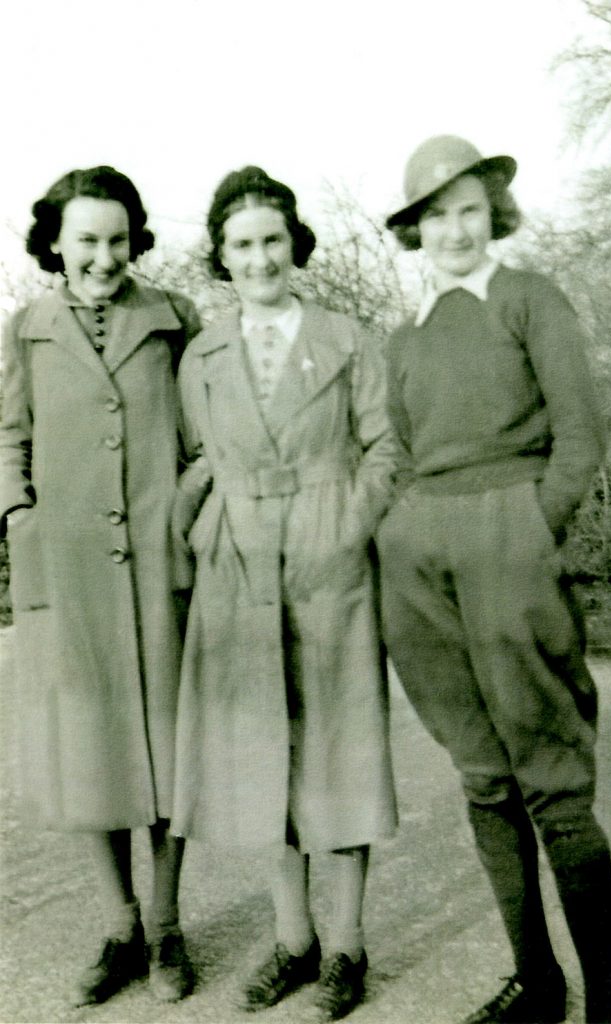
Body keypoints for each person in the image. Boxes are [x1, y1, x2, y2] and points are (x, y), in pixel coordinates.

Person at [378, 136, 611, 1024]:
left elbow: (581, 437)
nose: (454, 230)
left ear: (495, 216)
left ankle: (606, 1004)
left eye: (470, 211)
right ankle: (538, 981)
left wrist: (531, 528)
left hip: (511, 540)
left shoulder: (530, 299)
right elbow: (399, 459)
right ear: (416, 228)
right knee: (483, 776)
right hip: (420, 559)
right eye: (436, 215)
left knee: (553, 777)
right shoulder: (402, 337)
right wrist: (398, 538)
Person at [170, 165, 398, 1021]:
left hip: (326, 563)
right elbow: (202, 459)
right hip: (239, 567)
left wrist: (341, 530)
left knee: (338, 753)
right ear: (221, 258)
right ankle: (292, 940)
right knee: (261, 759)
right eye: (241, 245)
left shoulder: (346, 339)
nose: (259, 258)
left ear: (293, 245)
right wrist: (203, 533)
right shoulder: (204, 355)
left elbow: (386, 451)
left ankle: (346, 947)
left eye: (271, 240)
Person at [0, 166, 201, 1006]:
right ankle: (118, 924)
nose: (103, 256)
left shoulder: (173, 320)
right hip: (71, 571)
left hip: (159, 563)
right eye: (85, 239)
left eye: (117, 239)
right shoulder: (25, 331)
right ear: (55, 241)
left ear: (135, 240)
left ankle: (165, 927)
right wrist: (22, 522)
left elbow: (204, 432)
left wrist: (184, 510)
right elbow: (8, 441)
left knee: (163, 747)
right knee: (88, 751)